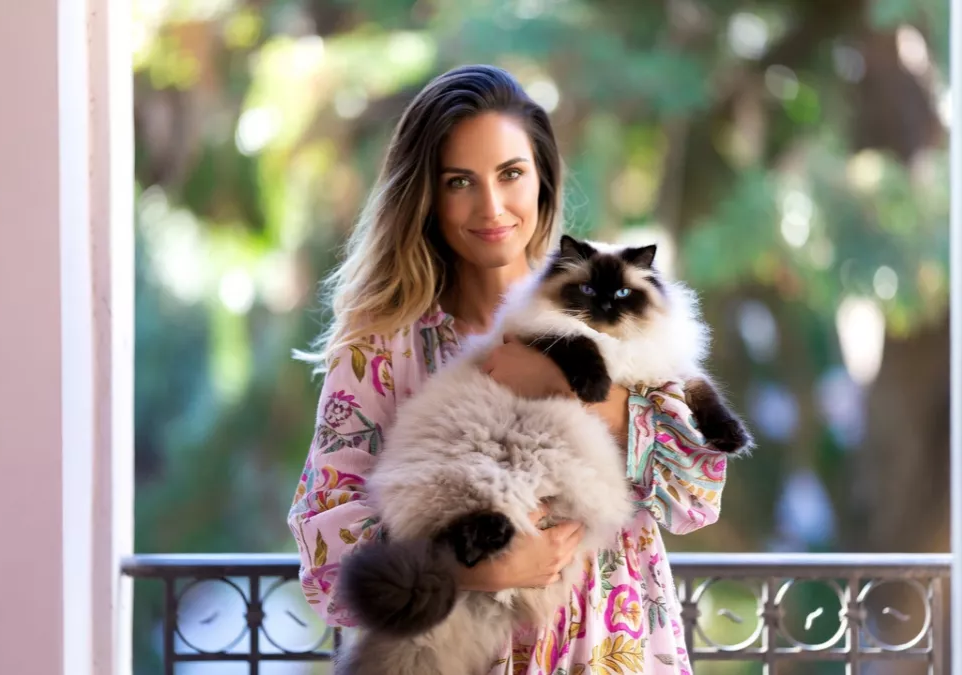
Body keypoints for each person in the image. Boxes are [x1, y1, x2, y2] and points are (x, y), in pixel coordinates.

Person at [287, 63, 729, 674]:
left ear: (543, 181)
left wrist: (566, 388)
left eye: (511, 173)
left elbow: (695, 494)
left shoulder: (620, 316)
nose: (491, 205)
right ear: (427, 196)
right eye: (459, 181)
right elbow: (322, 551)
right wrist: (469, 567)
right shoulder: (380, 349)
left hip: (608, 646)